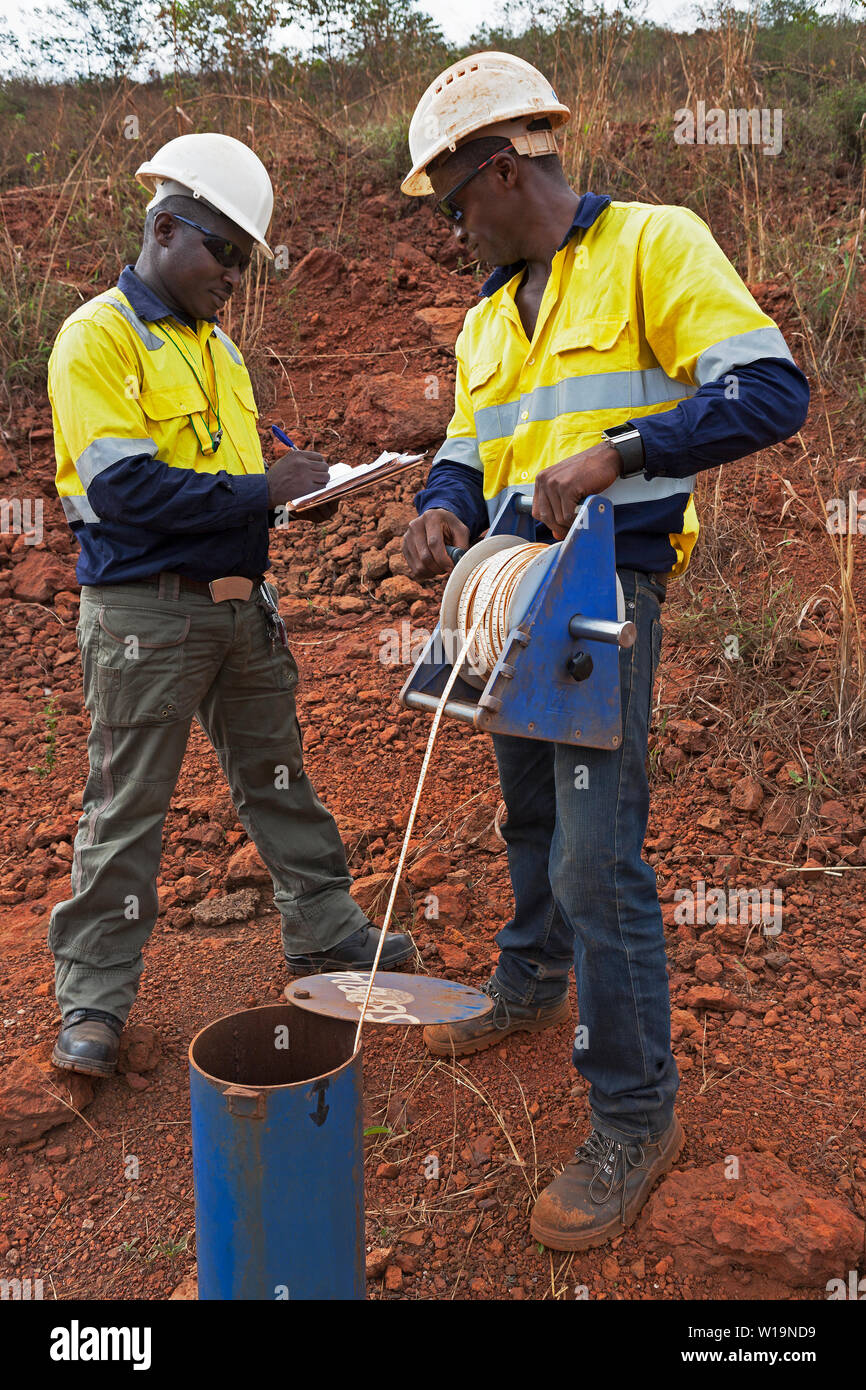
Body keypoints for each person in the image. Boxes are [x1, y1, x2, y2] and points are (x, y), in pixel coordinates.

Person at [399, 52, 809, 1250]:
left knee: (594, 859)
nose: (453, 228)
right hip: (507, 592)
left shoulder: (651, 245)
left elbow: (769, 391)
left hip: (600, 598)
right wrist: (437, 502)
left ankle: (634, 1112)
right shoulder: (489, 312)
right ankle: (528, 985)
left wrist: (619, 454)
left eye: (455, 201)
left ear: (501, 168)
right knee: (525, 808)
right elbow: (469, 450)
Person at [48, 132, 413, 1079]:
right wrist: (262, 491)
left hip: (239, 606)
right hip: (145, 616)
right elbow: (124, 493)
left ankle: (325, 929)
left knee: (278, 775)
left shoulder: (218, 351)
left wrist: (295, 485)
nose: (238, 276)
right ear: (165, 228)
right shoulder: (97, 339)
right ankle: (93, 1000)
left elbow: (224, 474)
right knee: (127, 806)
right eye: (225, 252)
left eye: (246, 258)